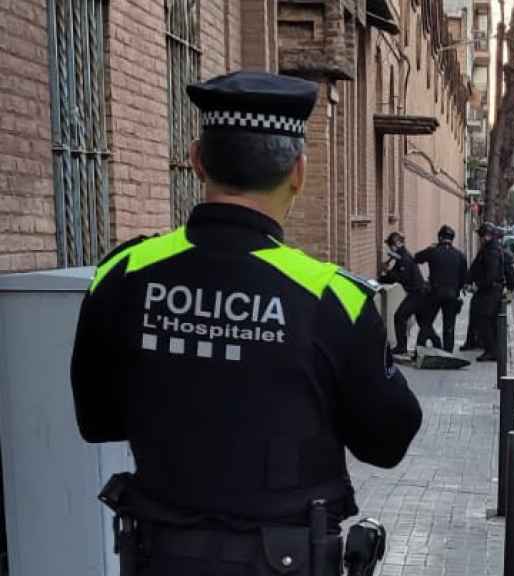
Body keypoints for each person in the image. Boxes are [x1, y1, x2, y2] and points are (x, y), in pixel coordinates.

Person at [70, 71, 423, 576]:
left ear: (196, 161)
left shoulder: (122, 273)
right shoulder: (332, 299)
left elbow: (97, 420)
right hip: (284, 559)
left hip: (159, 557)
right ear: (298, 171)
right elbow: (388, 441)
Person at [381, 230, 443, 355]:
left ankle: (401, 347)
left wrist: (387, 271)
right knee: (424, 323)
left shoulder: (404, 258)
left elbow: (400, 277)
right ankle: (437, 344)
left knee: (399, 316)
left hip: (417, 294)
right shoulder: (401, 257)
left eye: (391, 245)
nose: (390, 248)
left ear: (397, 244)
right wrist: (381, 278)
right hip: (420, 294)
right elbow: (393, 276)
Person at [415, 225, 468, 353]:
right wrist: (456, 289)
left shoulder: (433, 251)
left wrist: (430, 248)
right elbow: (464, 278)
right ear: (452, 239)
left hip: (434, 294)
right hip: (452, 294)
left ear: (439, 237)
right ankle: (447, 353)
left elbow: (417, 258)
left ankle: (419, 350)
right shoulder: (460, 255)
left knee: (426, 323)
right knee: (449, 326)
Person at [469, 222, 505, 362]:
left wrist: (478, 285)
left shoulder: (492, 250)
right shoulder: (488, 248)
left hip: (490, 291)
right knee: (483, 319)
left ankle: (491, 351)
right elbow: (476, 266)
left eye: (481, 235)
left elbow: (491, 274)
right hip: (488, 290)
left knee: (486, 320)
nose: (480, 238)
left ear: (487, 235)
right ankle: (489, 348)